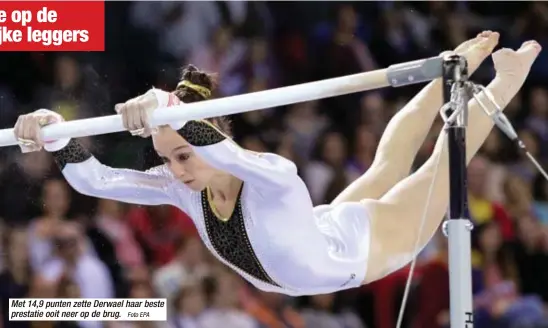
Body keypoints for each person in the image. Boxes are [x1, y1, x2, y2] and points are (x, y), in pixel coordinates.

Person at [13, 31, 540, 296]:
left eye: (182, 154)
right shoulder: (183, 187)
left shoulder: (268, 177)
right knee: (383, 169)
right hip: (318, 235)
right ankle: (452, 70)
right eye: (166, 159)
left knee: (431, 171)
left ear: (211, 136)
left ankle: (501, 82)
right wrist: (53, 134)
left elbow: (232, 156)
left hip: (363, 250)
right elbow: (94, 181)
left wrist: (168, 108)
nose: (174, 170)